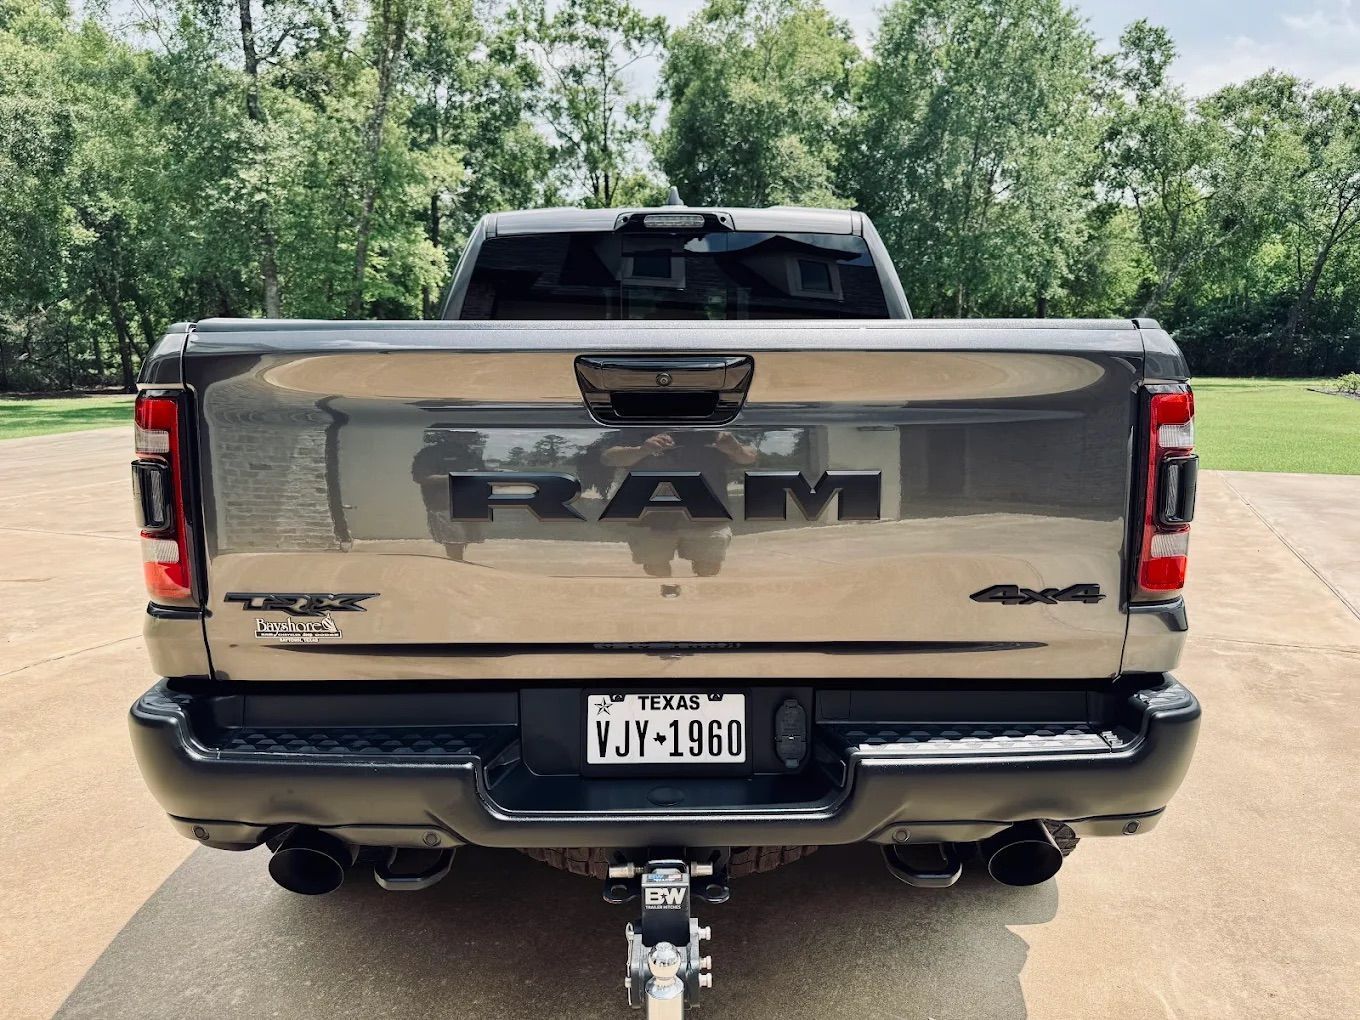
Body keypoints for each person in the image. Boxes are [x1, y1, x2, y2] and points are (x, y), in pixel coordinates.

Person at [600, 430, 756, 577]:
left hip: (708, 516)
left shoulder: (719, 420)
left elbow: (750, 456)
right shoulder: (638, 418)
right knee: (655, 571)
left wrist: (735, 449)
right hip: (651, 518)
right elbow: (609, 458)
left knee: (708, 570)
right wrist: (642, 449)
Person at [411, 429, 487, 560]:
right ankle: (454, 568)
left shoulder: (470, 454)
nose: (467, 438)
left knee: (466, 539)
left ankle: (460, 567)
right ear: (449, 436)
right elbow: (421, 477)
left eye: (469, 435)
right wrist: (454, 478)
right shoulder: (429, 454)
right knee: (454, 541)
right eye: (463, 435)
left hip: (468, 503)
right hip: (442, 505)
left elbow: (481, 474)